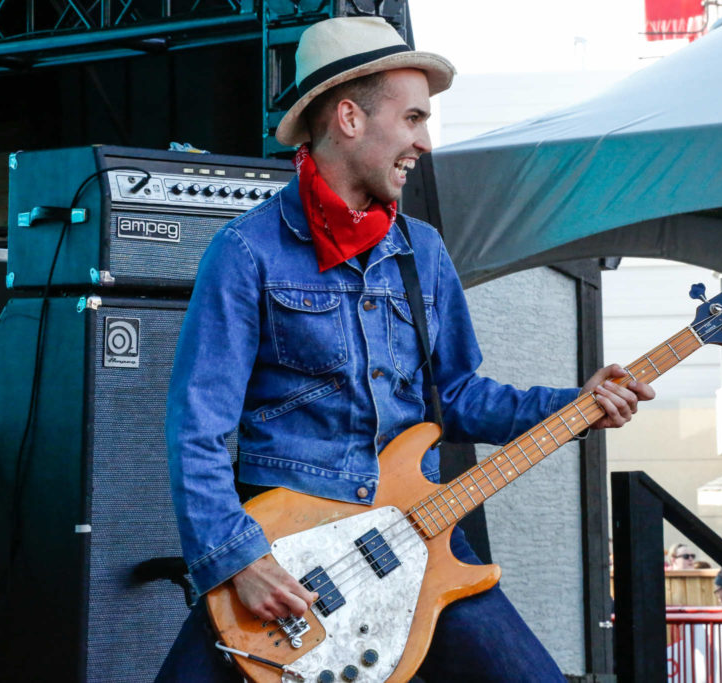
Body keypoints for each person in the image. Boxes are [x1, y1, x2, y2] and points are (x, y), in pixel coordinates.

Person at [158, 15, 655, 682]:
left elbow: (455, 395)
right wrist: (238, 560)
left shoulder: (421, 250)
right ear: (349, 118)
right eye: (414, 117)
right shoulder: (246, 253)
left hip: (416, 537)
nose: (425, 141)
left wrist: (578, 403)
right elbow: (198, 430)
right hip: (291, 558)